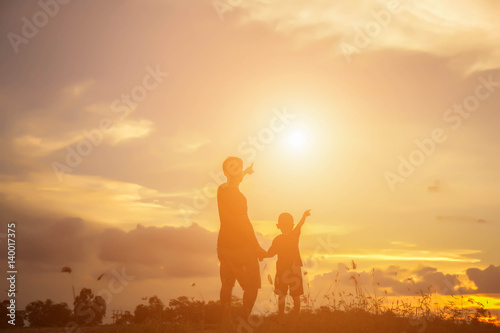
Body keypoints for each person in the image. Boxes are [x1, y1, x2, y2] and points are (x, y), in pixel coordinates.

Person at [216, 156, 268, 326]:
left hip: (223, 246)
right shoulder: (239, 197)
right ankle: (243, 321)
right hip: (241, 247)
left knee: (227, 285)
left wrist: (245, 172)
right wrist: (257, 247)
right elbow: (243, 223)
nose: (239, 171)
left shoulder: (221, 190)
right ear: (226, 172)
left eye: (239, 167)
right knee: (252, 287)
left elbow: (233, 181)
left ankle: (225, 321)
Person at [266, 209, 311, 320]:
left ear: (279, 226)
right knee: (295, 296)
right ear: (291, 225)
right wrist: (304, 216)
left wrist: (259, 254)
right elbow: (300, 225)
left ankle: (281, 317)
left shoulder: (278, 239)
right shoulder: (293, 235)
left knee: (282, 296)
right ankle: (295, 318)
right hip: (294, 270)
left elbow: (269, 254)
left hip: (282, 271)